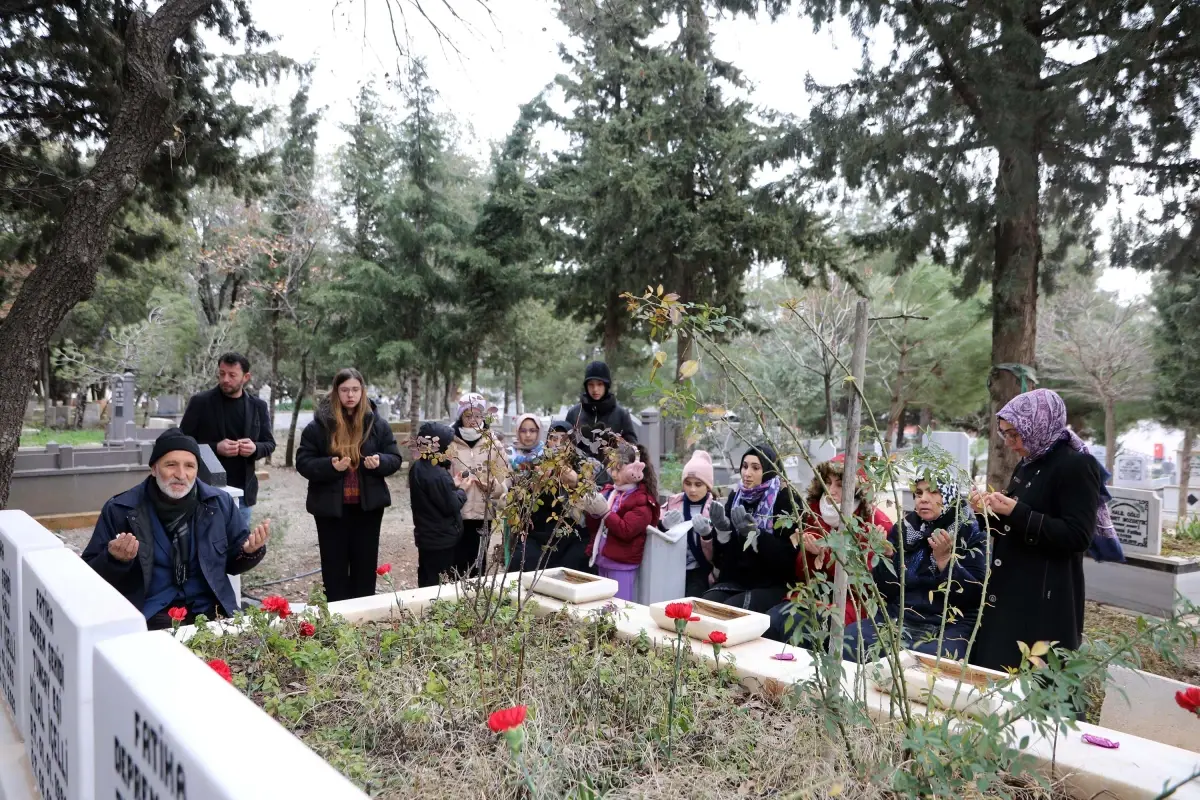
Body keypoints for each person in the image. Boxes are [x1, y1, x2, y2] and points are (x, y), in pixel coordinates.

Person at [968, 388, 1109, 672]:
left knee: (1034, 684)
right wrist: (986, 513)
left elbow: (1078, 535)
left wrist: (1015, 511)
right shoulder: (1031, 462)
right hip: (1011, 588)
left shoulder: (1076, 465)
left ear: (1039, 425)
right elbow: (1015, 524)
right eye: (1006, 435)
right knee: (995, 676)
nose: (1010, 443)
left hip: (1043, 597)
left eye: (1015, 435)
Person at [82, 429, 270, 629]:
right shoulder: (121, 509)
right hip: (150, 613)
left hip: (210, 609)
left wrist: (249, 551)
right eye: (171, 465)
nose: (181, 475)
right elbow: (88, 574)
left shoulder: (219, 504)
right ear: (154, 469)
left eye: (189, 466)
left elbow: (233, 564)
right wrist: (114, 559)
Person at [840, 475, 987, 662]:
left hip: (948, 627)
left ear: (950, 496)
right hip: (900, 619)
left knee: (927, 663)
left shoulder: (971, 533)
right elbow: (886, 591)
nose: (923, 498)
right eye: (918, 493)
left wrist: (945, 561)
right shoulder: (905, 529)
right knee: (849, 640)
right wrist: (886, 556)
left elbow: (974, 595)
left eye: (933, 491)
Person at [296, 368, 403, 602]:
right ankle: (337, 615)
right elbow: (303, 462)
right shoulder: (319, 426)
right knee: (334, 565)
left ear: (362, 391)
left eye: (355, 390)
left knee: (365, 563)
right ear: (336, 392)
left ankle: (363, 614)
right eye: (344, 390)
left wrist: (380, 461)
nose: (350, 395)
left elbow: (395, 458)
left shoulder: (377, 424)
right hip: (330, 509)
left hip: (368, 508)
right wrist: (330, 466)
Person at [767, 455, 892, 645]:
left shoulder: (876, 523)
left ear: (857, 490)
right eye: (827, 482)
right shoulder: (816, 513)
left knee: (805, 629)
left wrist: (825, 557)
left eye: (840, 485)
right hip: (812, 594)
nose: (830, 491)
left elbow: (864, 583)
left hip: (852, 602)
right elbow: (801, 575)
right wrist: (811, 555)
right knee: (771, 622)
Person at [179, 352, 275, 528]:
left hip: (243, 494)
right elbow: (180, 443)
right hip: (204, 492)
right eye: (222, 373)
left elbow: (269, 444)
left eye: (232, 375)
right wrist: (216, 448)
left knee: (239, 549)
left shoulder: (257, 406)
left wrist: (255, 448)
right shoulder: (201, 402)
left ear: (246, 377)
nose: (225, 379)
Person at [705, 444, 799, 612]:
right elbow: (724, 562)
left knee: (729, 611)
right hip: (740, 579)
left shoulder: (786, 499)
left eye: (756, 468)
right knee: (707, 604)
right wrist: (722, 534)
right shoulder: (736, 497)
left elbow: (788, 558)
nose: (747, 473)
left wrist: (757, 535)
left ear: (769, 470)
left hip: (773, 583)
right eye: (745, 466)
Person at [506, 419, 609, 573]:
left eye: (565, 439)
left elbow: (602, 504)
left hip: (575, 536)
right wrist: (535, 487)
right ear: (547, 442)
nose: (559, 444)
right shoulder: (536, 464)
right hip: (540, 536)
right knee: (522, 559)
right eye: (554, 438)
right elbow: (515, 503)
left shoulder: (588, 465)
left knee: (577, 562)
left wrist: (576, 483)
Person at [586, 441, 660, 600]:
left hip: (621, 564)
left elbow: (626, 530)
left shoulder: (642, 501)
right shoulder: (610, 492)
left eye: (618, 469)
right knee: (601, 608)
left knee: (619, 608)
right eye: (612, 468)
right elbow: (594, 527)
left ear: (634, 470)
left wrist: (605, 512)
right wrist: (591, 511)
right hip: (603, 559)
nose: (613, 474)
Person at [447, 393, 509, 578]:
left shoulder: (494, 444)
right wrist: (456, 486)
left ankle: (475, 602)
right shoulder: (450, 443)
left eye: (477, 415)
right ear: (460, 417)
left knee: (477, 562)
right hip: (456, 512)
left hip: (483, 514)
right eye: (468, 415)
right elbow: (442, 478)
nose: (473, 420)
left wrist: (493, 486)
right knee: (454, 563)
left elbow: (506, 479)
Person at [409, 422, 469, 587]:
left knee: (427, 575)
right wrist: (462, 490)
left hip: (427, 536)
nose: (452, 450)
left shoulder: (419, 467)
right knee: (438, 581)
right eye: (449, 446)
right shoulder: (437, 474)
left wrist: (453, 484)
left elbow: (435, 495)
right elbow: (450, 505)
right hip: (440, 538)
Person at [659, 450, 717, 598]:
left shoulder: (715, 509)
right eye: (688, 483)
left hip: (700, 572)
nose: (692, 489)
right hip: (670, 569)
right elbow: (653, 536)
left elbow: (721, 553)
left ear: (708, 486)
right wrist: (663, 526)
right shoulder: (672, 504)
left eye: (698, 484)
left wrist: (707, 535)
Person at [565, 361, 638, 461]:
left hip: (612, 472)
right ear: (586, 386)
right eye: (591, 384)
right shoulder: (574, 413)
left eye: (599, 384)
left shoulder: (621, 414)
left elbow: (632, 448)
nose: (595, 389)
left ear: (606, 386)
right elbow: (565, 445)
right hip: (580, 472)